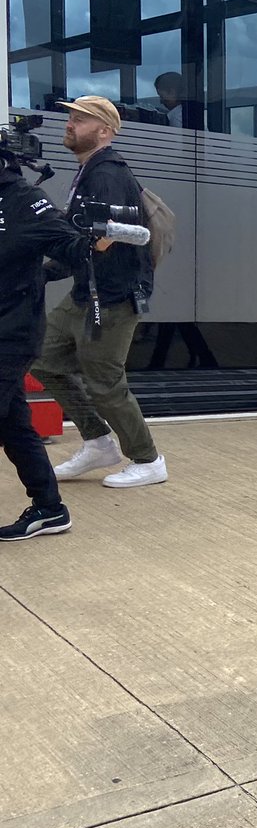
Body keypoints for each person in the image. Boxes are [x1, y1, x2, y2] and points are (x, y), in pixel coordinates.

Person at [32, 95, 168, 488]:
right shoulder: (89, 169)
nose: (70, 124)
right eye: (71, 117)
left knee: (105, 382)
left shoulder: (108, 173)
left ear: (104, 131)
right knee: (42, 359)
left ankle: (148, 459)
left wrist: (45, 271)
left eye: (80, 119)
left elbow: (103, 242)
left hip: (113, 297)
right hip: (86, 292)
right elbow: (84, 241)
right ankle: (97, 441)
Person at [0, 142, 97, 539]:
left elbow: (72, 247)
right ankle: (50, 508)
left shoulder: (24, 200)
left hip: (11, 332)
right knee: (14, 425)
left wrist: (96, 240)